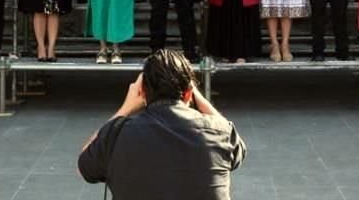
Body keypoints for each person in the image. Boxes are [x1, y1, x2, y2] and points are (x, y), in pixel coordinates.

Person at [78, 50, 245, 199]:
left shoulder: (115, 133)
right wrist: (198, 96)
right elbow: (238, 149)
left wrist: (125, 108)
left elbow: (85, 165)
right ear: (188, 94)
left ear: (142, 92)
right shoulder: (220, 131)